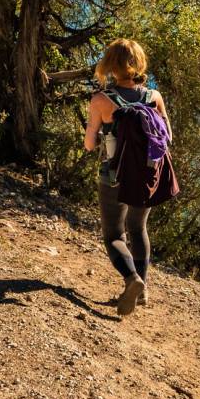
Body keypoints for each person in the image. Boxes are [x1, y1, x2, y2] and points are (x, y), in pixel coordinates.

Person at [84, 38, 171, 315]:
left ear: (110, 65)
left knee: (113, 234)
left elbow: (89, 145)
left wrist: (102, 134)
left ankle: (132, 278)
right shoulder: (154, 97)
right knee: (138, 228)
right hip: (146, 175)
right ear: (139, 64)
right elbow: (168, 136)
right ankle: (142, 291)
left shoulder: (101, 100)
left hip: (114, 175)